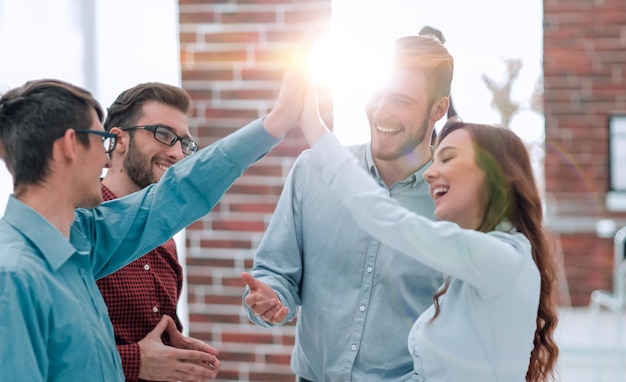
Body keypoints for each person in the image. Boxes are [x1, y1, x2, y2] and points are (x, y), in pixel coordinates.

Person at [0, 36, 308, 381]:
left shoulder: (84, 237)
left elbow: (179, 192)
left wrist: (275, 123)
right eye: (99, 140)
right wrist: (134, 362)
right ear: (71, 144)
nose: (105, 155)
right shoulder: (12, 277)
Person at [296, 81, 560, 380]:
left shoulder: (502, 257)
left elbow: (387, 220)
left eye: (447, 158)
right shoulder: (477, 266)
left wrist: (313, 126)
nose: (431, 172)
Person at [242, 35, 453, 381]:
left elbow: (465, 329)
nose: (382, 111)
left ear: (438, 109)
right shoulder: (312, 172)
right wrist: (271, 296)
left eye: (401, 100)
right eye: (377, 95)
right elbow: (276, 271)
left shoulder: (454, 204)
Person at [95, 82, 214, 381]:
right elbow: (49, 350)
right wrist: (135, 361)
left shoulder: (164, 239)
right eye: (163, 135)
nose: (176, 154)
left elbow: (161, 341)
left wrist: (182, 355)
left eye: (185, 143)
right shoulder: (79, 224)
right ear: (118, 139)